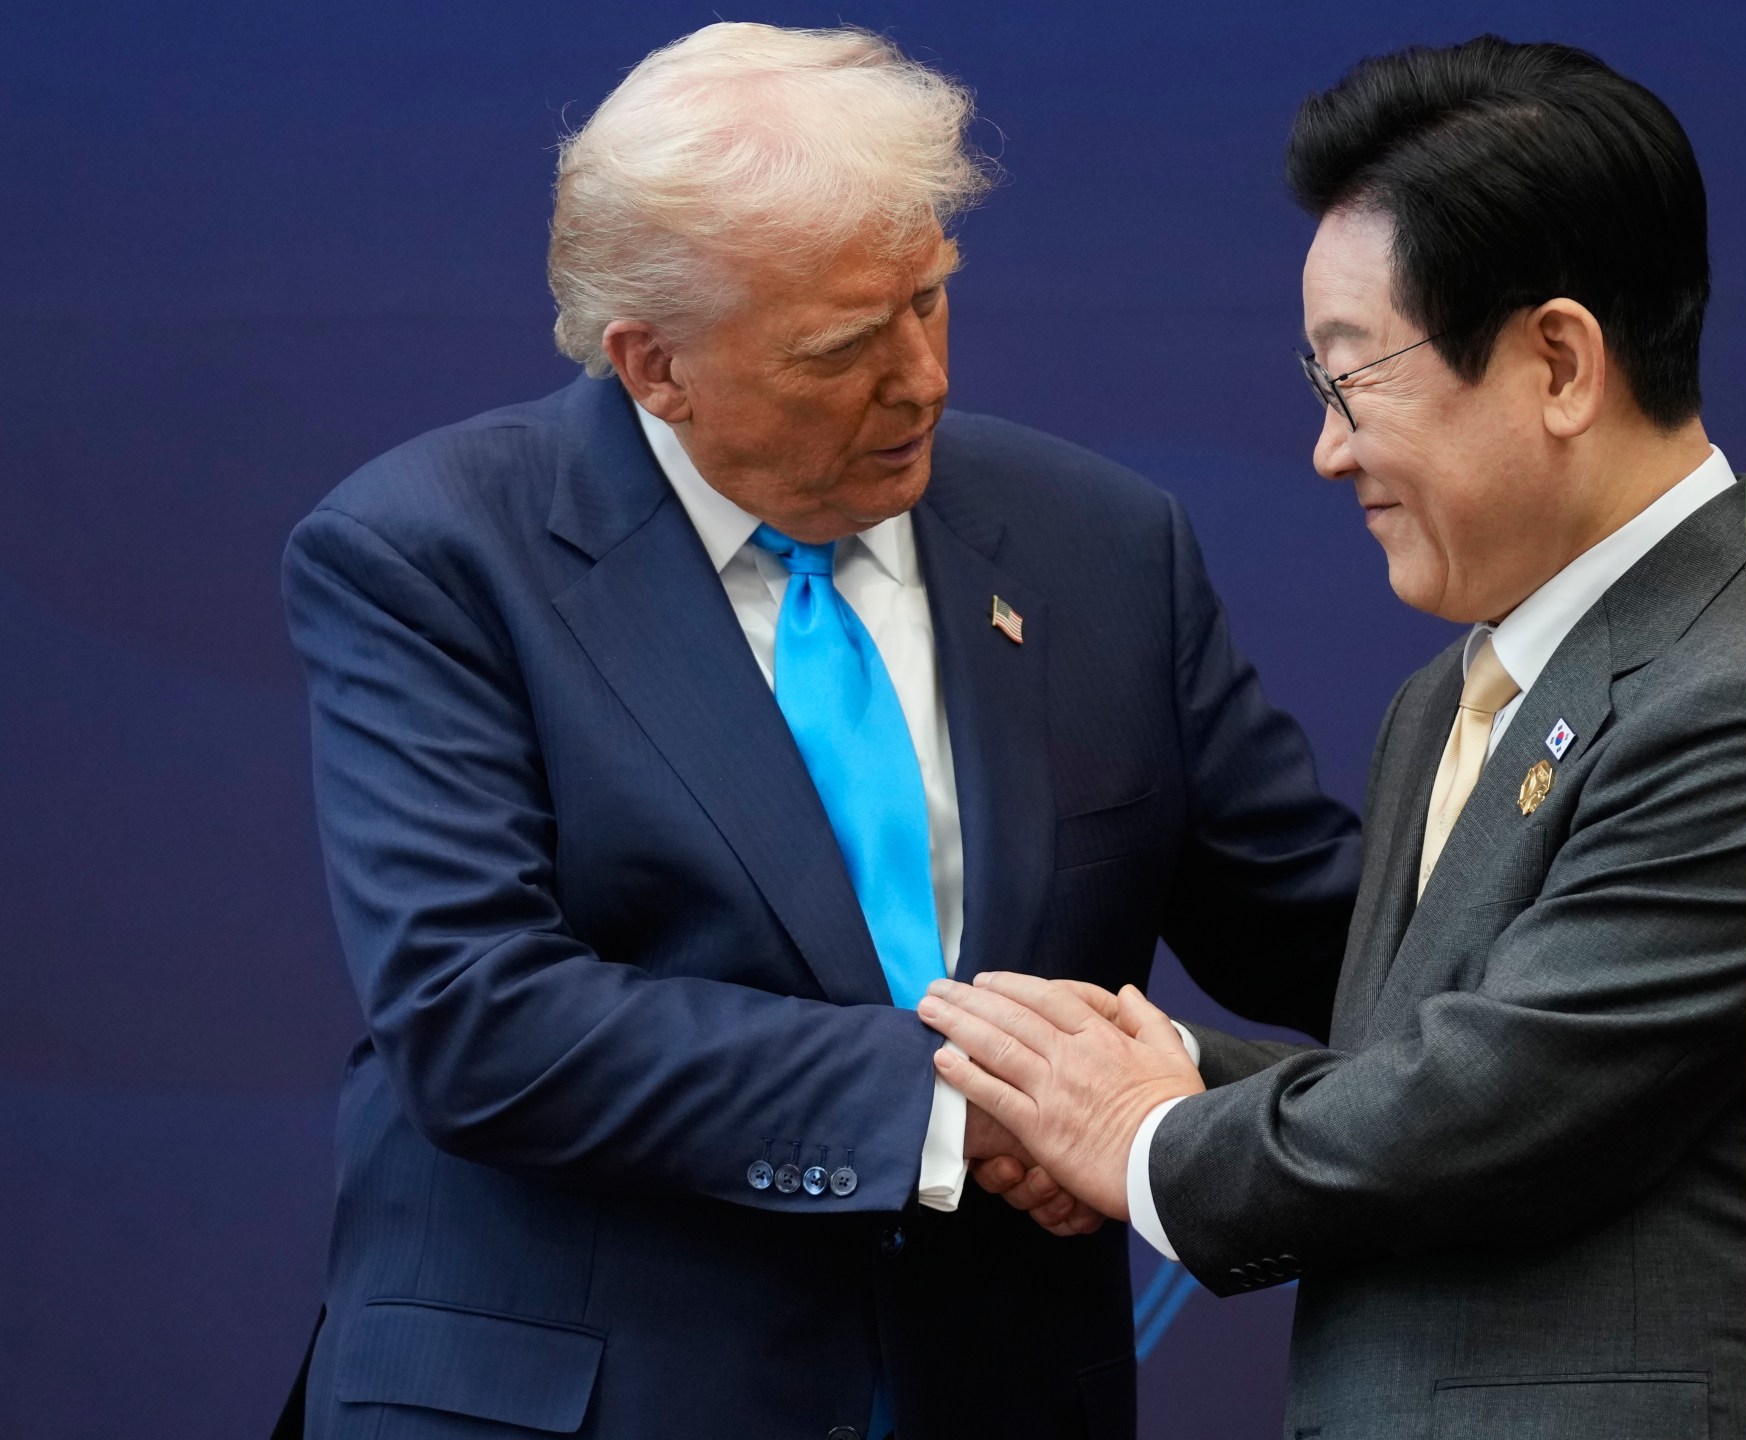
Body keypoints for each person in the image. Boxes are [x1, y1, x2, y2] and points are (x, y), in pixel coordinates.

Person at [278, 23, 1359, 1440]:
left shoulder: (1098, 543)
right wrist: (981, 1105)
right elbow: (479, 1018)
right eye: (844, 348)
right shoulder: (432, 553)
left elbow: (1326, 935)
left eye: (930, 300)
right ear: (652, 365)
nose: (920, 378)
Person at [922, 37, 1746, 1440]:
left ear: (1559, 362)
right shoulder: (1447, 698)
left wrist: (1138, 1132)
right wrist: (1154, 1073)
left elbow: (1498, 1109)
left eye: (1352, 380)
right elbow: (1438, 1072)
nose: (1328, 450)